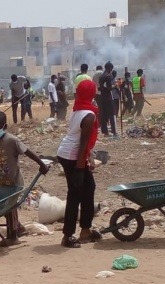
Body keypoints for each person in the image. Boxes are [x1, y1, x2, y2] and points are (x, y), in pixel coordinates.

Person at [0, 111, 49, 247]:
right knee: (4, 207)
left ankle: (13, 236)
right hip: (2, 181)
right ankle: (19, 227)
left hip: (14, 181)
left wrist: (42, 164)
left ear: (4, 126)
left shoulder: (12, 140)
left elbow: (28, 152)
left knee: (9, 208)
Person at [57, 79, 101, 248]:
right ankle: (68, 235)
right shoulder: (89, 115)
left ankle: (85, 230)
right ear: (92, 94)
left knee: (88, 189)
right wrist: (79, 169)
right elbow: (83, 144)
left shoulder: (78, 110)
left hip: (69, 154)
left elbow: (83, 144)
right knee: (75, 194)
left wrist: (86, 161)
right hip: (72, 156)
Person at [99, 62, 117, 136]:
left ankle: (105, 131)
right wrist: (115, 86)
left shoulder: (101, 76)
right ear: (109, 68)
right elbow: (109, 88)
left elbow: (102, 87)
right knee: (112, 114)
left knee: (104, 115)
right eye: (111, 68)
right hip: (109, 98)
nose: (111, 70)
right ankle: (113, 131)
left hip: (102, 97)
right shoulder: (108, 76)